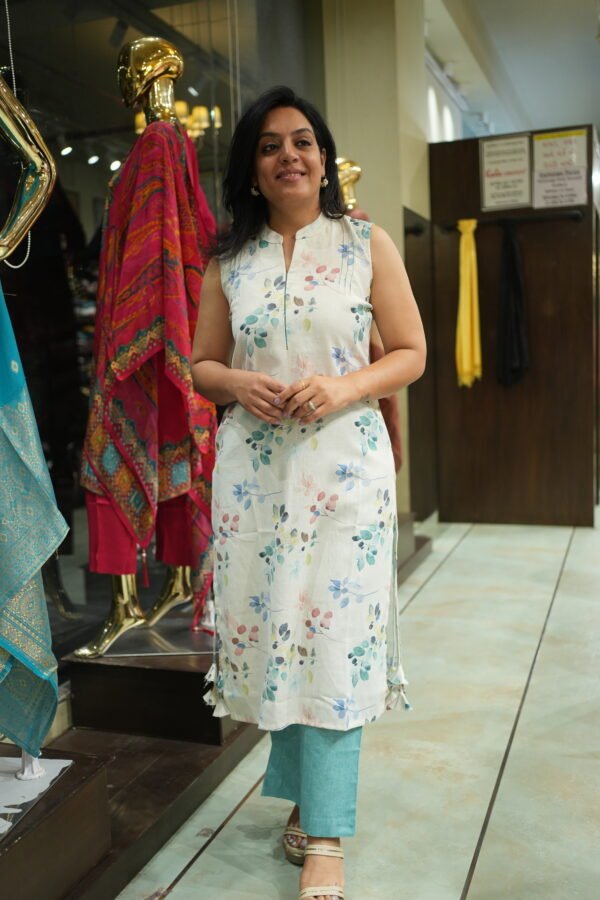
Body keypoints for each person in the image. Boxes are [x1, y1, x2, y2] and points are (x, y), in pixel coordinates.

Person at [192, 86, 426, 900]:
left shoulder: (365, 244)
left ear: (324, 160)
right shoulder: (228, 262)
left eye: (302, 141)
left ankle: (325, 835)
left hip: (344, 473)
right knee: (276, 637)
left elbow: (410, 350)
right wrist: (236, 384)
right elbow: (202, 365)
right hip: (255, 481)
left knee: (334, 640)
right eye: (270, 146)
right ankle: (304, 801)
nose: (288, 155)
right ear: (252, 170)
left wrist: (343, 387)